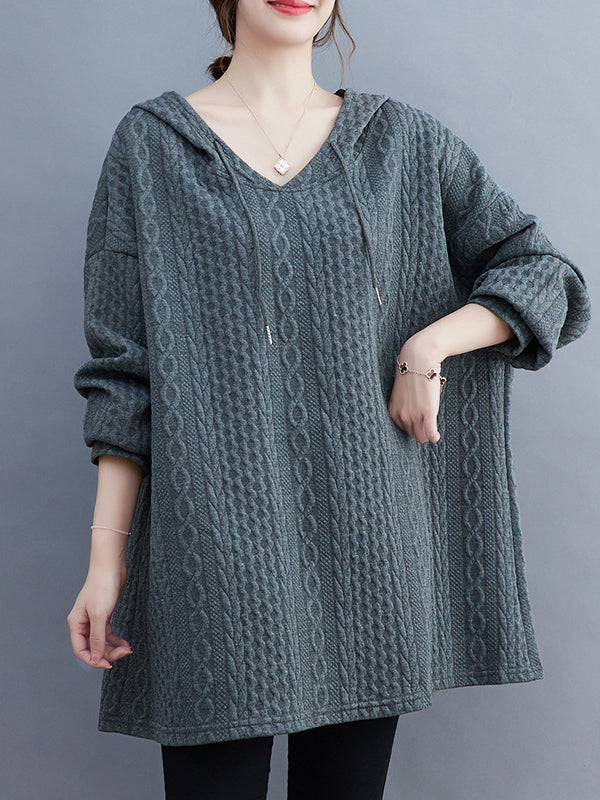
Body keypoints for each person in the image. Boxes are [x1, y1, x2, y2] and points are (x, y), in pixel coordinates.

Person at [67, 1, 592, 798]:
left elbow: (545, 273)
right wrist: (106, 564)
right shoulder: (153, 146)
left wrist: (428, 347)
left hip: (370, 555)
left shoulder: (402, 144)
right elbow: (123, 370)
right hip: (214, 554)